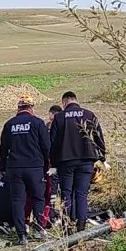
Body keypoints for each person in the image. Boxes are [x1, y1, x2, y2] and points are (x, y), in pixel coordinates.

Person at [50, 91, 107, 232]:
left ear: (64, 102)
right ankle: (81, 226)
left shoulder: (59, 117)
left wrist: (53, 163)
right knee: (81, 194)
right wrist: (102, 157)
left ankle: (67, 226)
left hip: (66, 162)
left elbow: (52, 142)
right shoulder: (89, 115)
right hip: (86, 161)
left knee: (66, 193)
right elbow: (98, 136)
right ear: (76, 100)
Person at [0, 96, 51, 245]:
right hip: (35, 167)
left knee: (17, 201)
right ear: (31, 108)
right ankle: (39, 229)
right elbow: (47, 147)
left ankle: (21, 235)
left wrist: (1, 168)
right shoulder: (38, 123)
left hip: (15, 168)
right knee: (38, 198)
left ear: (18, 108)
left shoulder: (9, 124)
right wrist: (48, 166)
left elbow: (3, 149)